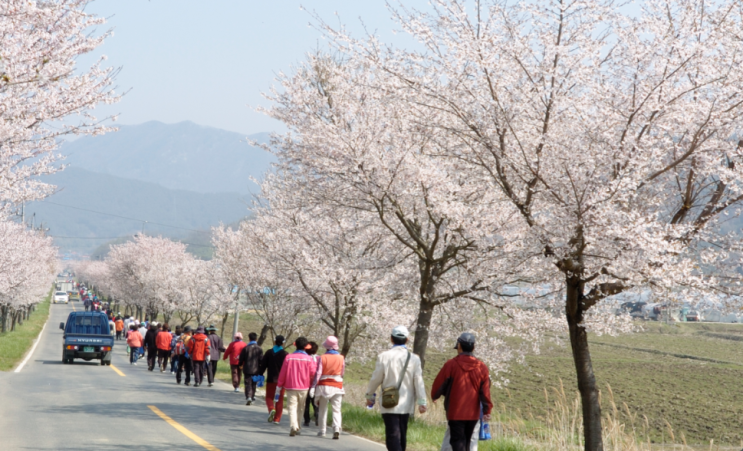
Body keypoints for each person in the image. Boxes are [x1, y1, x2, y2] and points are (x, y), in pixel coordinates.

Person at [366, 326, 428, 451]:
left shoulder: (384, 356)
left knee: (392, 435)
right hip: (406, 403)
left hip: (389, 401)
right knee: (402, 434)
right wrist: (422, 402)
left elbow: (376, 379)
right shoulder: (414, 358)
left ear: (391, 339)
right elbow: (419, 381)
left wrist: (369, 396)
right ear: (407, 340)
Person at [431, 333, 493, 451]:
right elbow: (485, 392)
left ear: (459, 346)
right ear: (473, 348)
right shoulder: (482, 367)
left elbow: (439, 383)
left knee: (457, 442)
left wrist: (435, 395)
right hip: (473, 413)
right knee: (467, 442)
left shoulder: (451, 364)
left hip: (455, 411)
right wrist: (487, 410)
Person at [276, 336, 317, 437]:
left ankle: (293, 426)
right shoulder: (308, 359)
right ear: (306, 347)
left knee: (292, 407)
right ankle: (298, 426)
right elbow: (313, 372)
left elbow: (283, 373)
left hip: (290, 386)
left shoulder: (289, 357)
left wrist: (279, 385)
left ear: (295, 345)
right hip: (304, 387)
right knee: (301, 407)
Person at [311, 336, 345, 439]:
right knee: (336, 409)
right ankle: (336, 428)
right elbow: (342, 373)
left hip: (323, 386)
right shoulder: (341, 357)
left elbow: (318, 373)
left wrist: (313, 386)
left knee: (323, 409)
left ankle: (322, 431)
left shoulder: (322, 357)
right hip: (337, 385)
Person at [261, 335, 288, 425]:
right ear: (283, 343)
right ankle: (277, 419)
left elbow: (263, 365)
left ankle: (271, 408)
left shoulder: (269, 352)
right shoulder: (285, 354)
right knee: (279, 399)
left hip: (271, 379)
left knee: (269, 397)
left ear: (274, 342)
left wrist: (259, 375)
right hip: (282, 381)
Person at [238, 332, 263, 403]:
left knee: (248, 383)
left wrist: (240, 365)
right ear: (256, 339)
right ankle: (252, 396)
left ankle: (248, 396)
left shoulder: (246, 348)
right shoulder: (259, 349)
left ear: (249, 339)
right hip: (256, 369)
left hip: (247, 369)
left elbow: (241, 359)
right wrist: (261, 368)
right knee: (254, 383)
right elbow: (261, 359)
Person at [303, 341, 320, 427]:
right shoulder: (319, 358)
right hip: (316, 384)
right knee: (315, 402)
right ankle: (317, 416)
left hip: (305, 383)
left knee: (306, 403)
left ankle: (306, 420)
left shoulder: (305, 358)